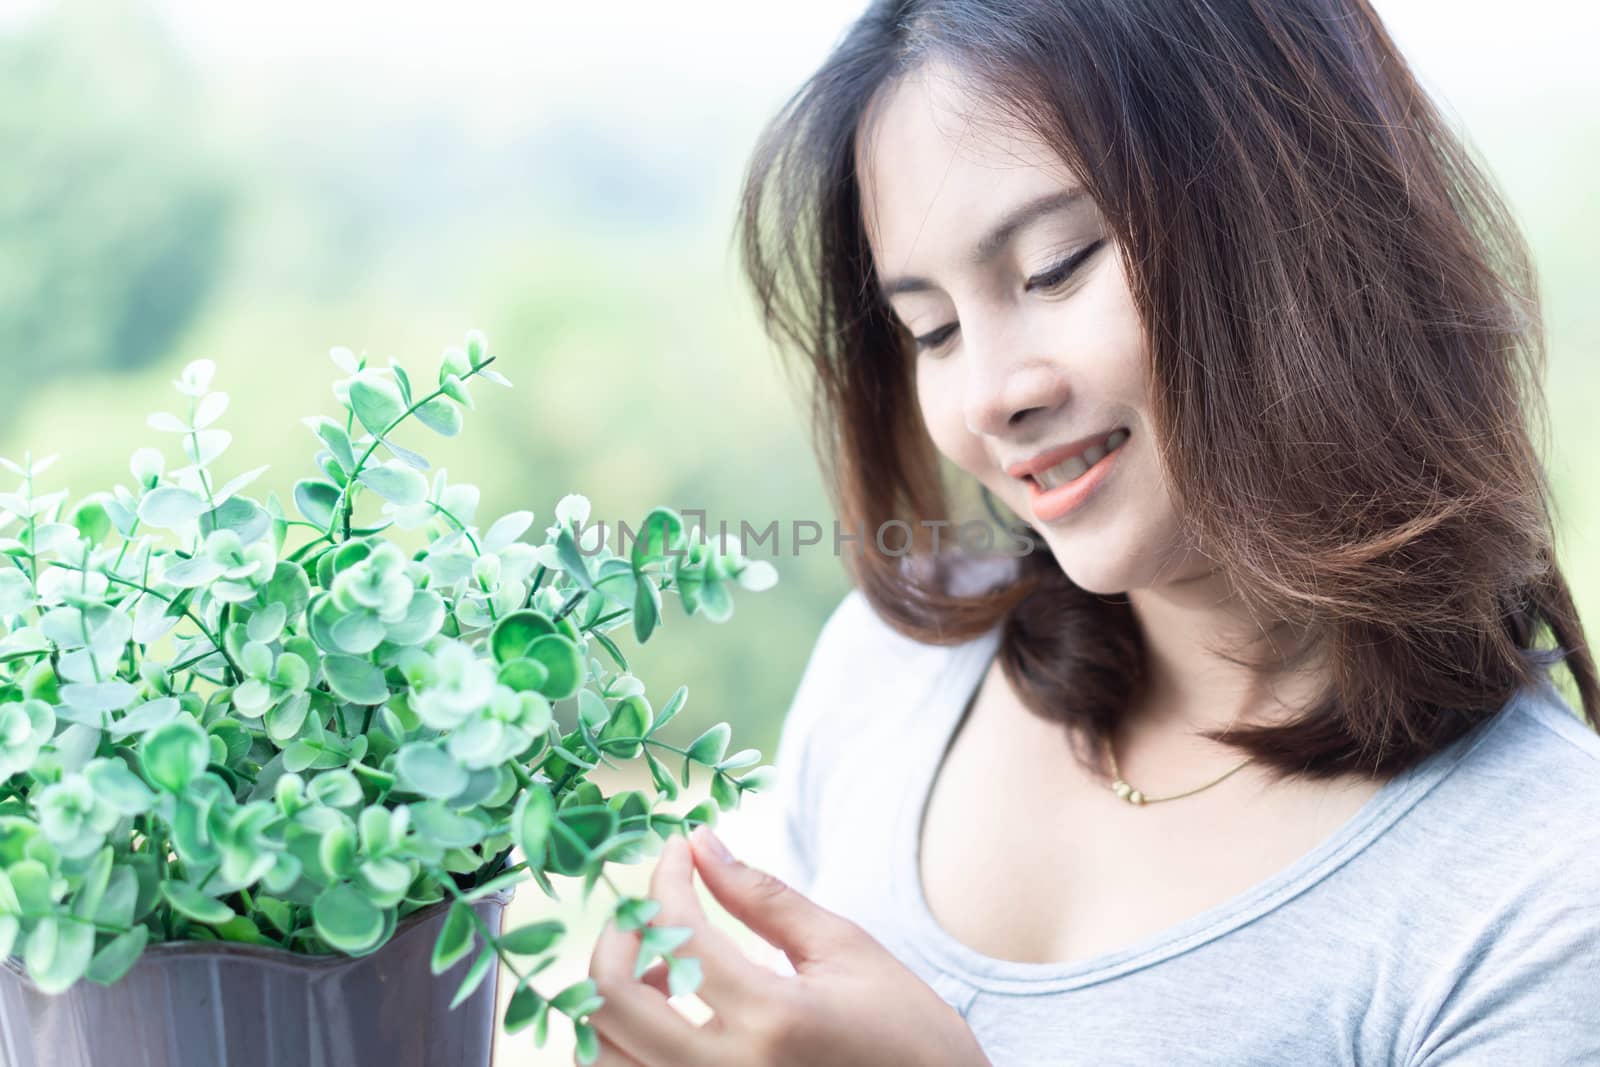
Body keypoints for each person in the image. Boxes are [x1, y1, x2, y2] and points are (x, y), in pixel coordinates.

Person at [581, 1, 1600, 1063]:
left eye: (1056, 266)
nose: (987, 395)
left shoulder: (1542, 891)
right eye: (930, 328)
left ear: (1295, 221)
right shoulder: (899, 672)